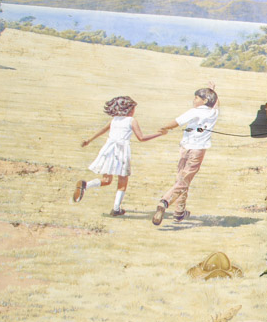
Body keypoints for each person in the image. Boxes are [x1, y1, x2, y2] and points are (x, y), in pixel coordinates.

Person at [73, 96, 165, 216]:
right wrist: (158, 134)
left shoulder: (114, 120)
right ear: (129, 109)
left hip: (108, 150)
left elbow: (102, 130)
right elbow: (141, 138)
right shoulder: (132, 121)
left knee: (106, 180)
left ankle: (86, 185)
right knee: (122, 181)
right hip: (121, 151)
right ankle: (116, 208)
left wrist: (89, 140)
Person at [152, 86, 219, 225]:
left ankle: (178, 211)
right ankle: (165, 203)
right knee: (184, 180)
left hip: (185, 149)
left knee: (181, 179)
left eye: (196, 98)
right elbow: (217, 104)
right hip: (198, 151)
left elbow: (176, 122)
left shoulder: (194, 111)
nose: (194, 100)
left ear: (205, 100)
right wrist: (213, 92)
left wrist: (164, 128)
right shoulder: (213, 113)